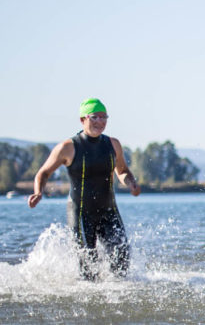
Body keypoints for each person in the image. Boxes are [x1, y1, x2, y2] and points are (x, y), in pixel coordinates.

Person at [27, 98, 141, 280]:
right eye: (94, 117)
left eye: (104, 117)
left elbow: (122, 171)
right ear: (83, 119)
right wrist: (38, 192)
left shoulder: (113, 144)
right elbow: (43, 173)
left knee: (122, 260)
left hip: (108, 211)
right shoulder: (68, 147)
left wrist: (131, 184)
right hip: (81, 214)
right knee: (89, 269)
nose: (100, 122)